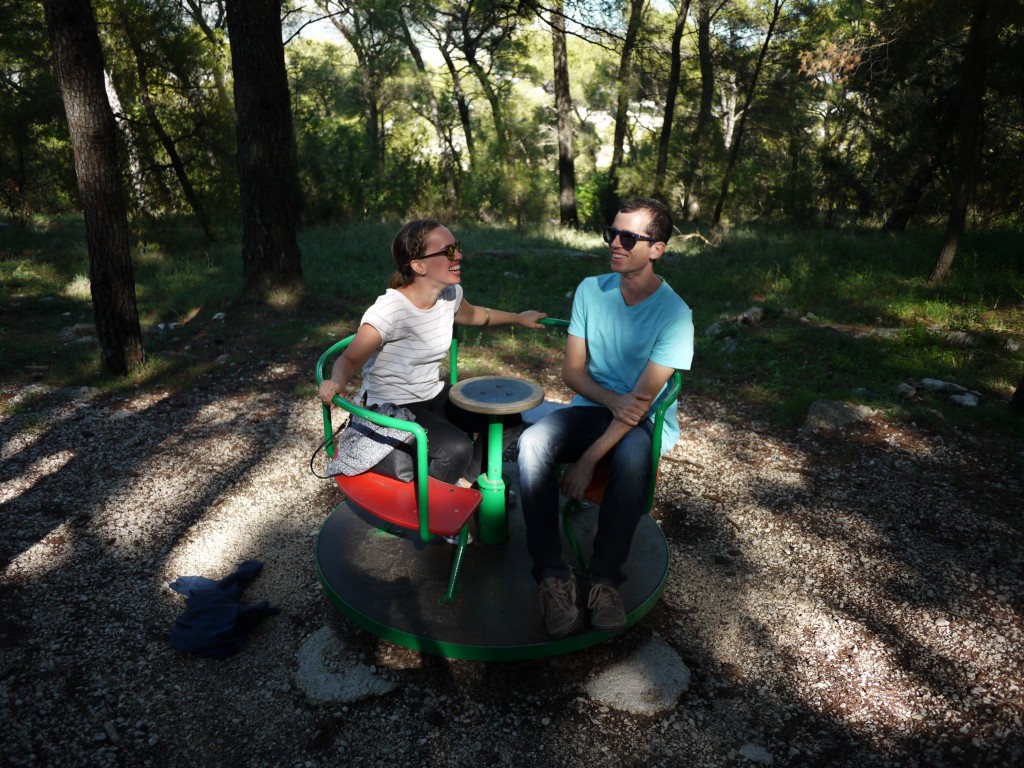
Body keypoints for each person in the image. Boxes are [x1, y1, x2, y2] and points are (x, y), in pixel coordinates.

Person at [517, 197, 693, 637]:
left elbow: (639, 405)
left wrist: (588, 459)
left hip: (641, 422)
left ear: (657, 249)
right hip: (595, 409)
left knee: (633, 460)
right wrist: (610, 401)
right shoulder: (590, 290)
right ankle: (552, 576)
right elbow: (572, 373)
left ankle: (605, 580)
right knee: (532, 443)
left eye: (629, 237)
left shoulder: (675, 315)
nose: (615, 243)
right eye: (611, 233)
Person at [319, 219, 547, 494]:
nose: (459, 255)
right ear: (419, 265)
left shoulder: (449, 295)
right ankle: (433, 515)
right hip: (394, 405)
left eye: (457, 247)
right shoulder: (390, 310)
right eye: (448, 251)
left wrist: (519, 319)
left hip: (431, 393)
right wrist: (337, 381)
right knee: (455, 449)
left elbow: (476, 314)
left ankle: (460, 489)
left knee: (507, 419)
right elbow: (350, 359)